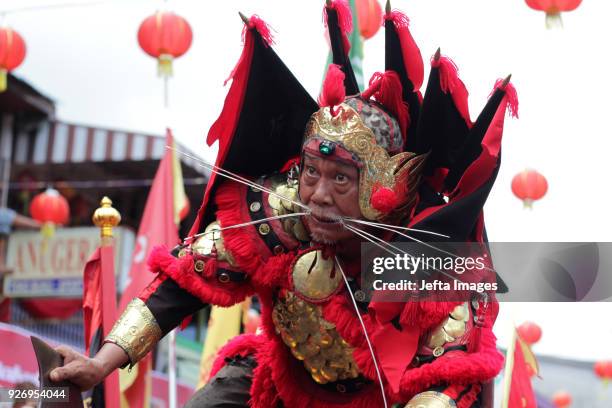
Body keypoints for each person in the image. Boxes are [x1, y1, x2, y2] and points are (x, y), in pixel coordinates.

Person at [50, 1, 517, 407]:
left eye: (340, 180)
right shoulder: (280, 214)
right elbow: (182, 281)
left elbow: (448, 385)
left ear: (384, 190)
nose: (317, 195)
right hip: (281, 380)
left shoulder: (430, 261)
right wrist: (100, 363)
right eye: (312, 172)